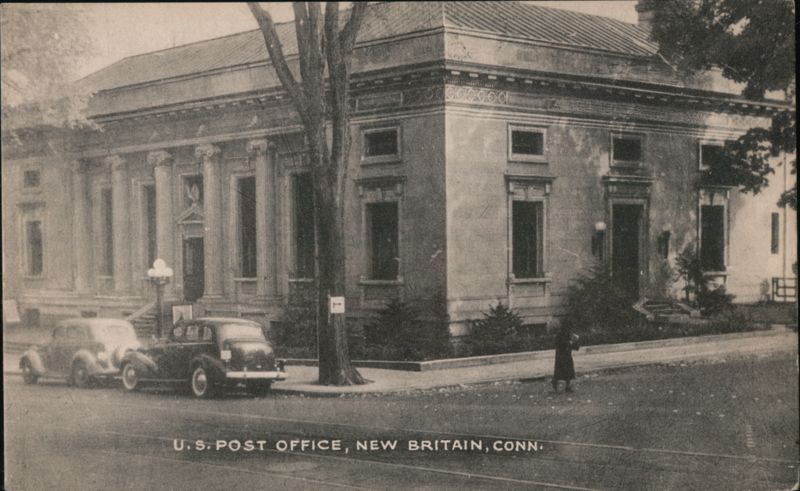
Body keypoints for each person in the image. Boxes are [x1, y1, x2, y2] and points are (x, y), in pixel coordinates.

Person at [552, 325, 579, 392]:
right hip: (562, 358)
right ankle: (563, 384)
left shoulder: (568, 335)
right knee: (562, 375)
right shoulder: (561, 335)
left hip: (566, 358)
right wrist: (572, 342)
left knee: (565, 375)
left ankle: (566, 384)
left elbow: (576, 347)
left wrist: (575, 341)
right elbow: (562, 345)